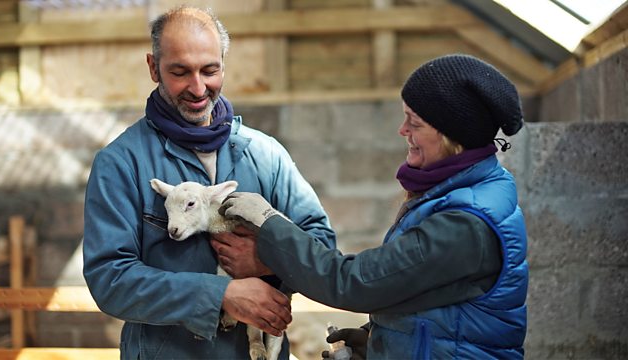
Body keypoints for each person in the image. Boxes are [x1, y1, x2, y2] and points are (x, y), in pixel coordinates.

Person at [215, 54, 529, 359]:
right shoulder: (459, 193)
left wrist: (268, 223)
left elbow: (352, 283)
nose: (402, 130)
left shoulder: (466, 224)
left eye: (414, 122)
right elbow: (431, 299)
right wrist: (379, 341)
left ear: (450, 136)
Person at [82, 6, 335, 359]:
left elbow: (323, 247)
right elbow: (110, 279)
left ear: (223, 65)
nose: (198, 88)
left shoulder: (265, 155)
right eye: (180, 72)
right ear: (153, 68)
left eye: (210, 70)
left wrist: (268, 259)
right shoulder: (122, 163)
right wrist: (220, 295)